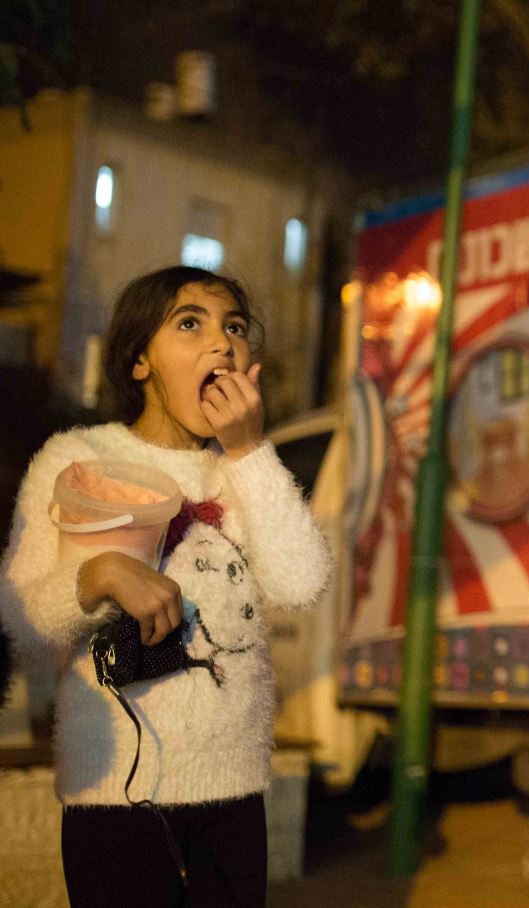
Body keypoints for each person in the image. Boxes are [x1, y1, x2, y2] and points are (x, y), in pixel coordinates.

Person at [0, 266, 331, 907]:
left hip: (234, 791)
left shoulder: (245, 467)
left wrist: (249, 449)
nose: (221, 343)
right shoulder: (78, 457)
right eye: (190, 323)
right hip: (115, 794)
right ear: (139, 361)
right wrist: (95, 575)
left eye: (234, 327)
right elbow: (18, 621)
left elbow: (301, 583)